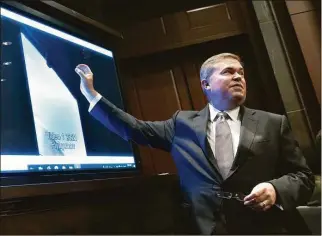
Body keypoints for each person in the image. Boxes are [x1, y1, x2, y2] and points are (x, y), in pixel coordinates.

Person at [75, 53, 315, 234]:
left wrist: (275, 189)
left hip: (264, 229)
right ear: (205, 84)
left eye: (241, 72)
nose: (238, 76)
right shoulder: (182, 124)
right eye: (228, 72)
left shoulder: (273, 123)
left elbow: (303, 176)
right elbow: (135, 129)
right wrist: (91, 95)